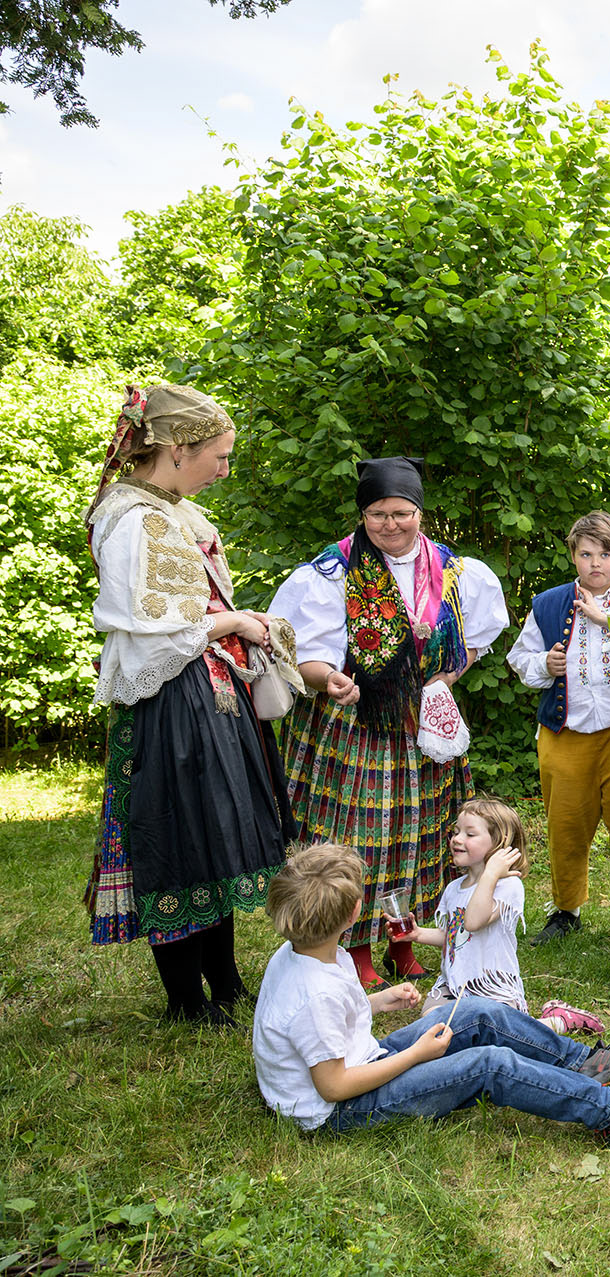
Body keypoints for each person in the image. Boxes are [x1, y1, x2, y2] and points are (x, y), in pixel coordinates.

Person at [252, 841, 610, 1145]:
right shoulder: (316, 993)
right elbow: (333, 1087)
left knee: (476, 1012)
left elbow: (326, 1025)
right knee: (490, 1065)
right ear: (353, 913)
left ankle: (581, 1063)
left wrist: (376, 1002)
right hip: (343, 1110)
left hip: (362, 1061)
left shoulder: (304, 950)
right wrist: (415, 1056)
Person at [85, 384, 296, 1025]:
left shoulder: (172, 511)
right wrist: (232, 621)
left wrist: (238, 624)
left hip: (206, 690)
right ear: (178, 448)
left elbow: (188, 613)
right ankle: (185, 998)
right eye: (220, 456)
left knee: (213, 834)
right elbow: (152, 626)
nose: (225, 470)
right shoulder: (136, 519)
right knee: (177, 836)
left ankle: (225, 983)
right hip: (170, 700)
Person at [270, 457, 509, 990]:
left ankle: (404, 939)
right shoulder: (332, 571)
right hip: (356, 722)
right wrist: (330, 678)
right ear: (362, 515)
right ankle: (354, 947)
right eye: (377, 514)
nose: (390, 524)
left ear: (420, 512)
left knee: (424, 831)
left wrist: (447, 677)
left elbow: (474, 642)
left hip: (423, 724)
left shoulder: (452, 571)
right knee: (361, 834)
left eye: (402, 513)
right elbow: (300, 654)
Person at [505, 511, 610, 946]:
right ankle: (566, 910)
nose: (596, 563)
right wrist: (545, 664)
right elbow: (519, 660)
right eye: (586, 554)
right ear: (573, 556)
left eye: (605, 554)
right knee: (566, 823)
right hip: (565, 731)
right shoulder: (548, 604)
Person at [390, 797, 605, 1036]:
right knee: (434, 1029)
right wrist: (417, 934)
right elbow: (454, 936)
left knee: (495, 1034)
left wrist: (491, 873)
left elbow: (473, 922)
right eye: (457, 831)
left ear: (499, 844)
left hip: (491, 988)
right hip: (454, 986)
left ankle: (559, 1021)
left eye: (470, 834)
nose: (457, 839)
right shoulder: (454, 888)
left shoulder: (508, 886)